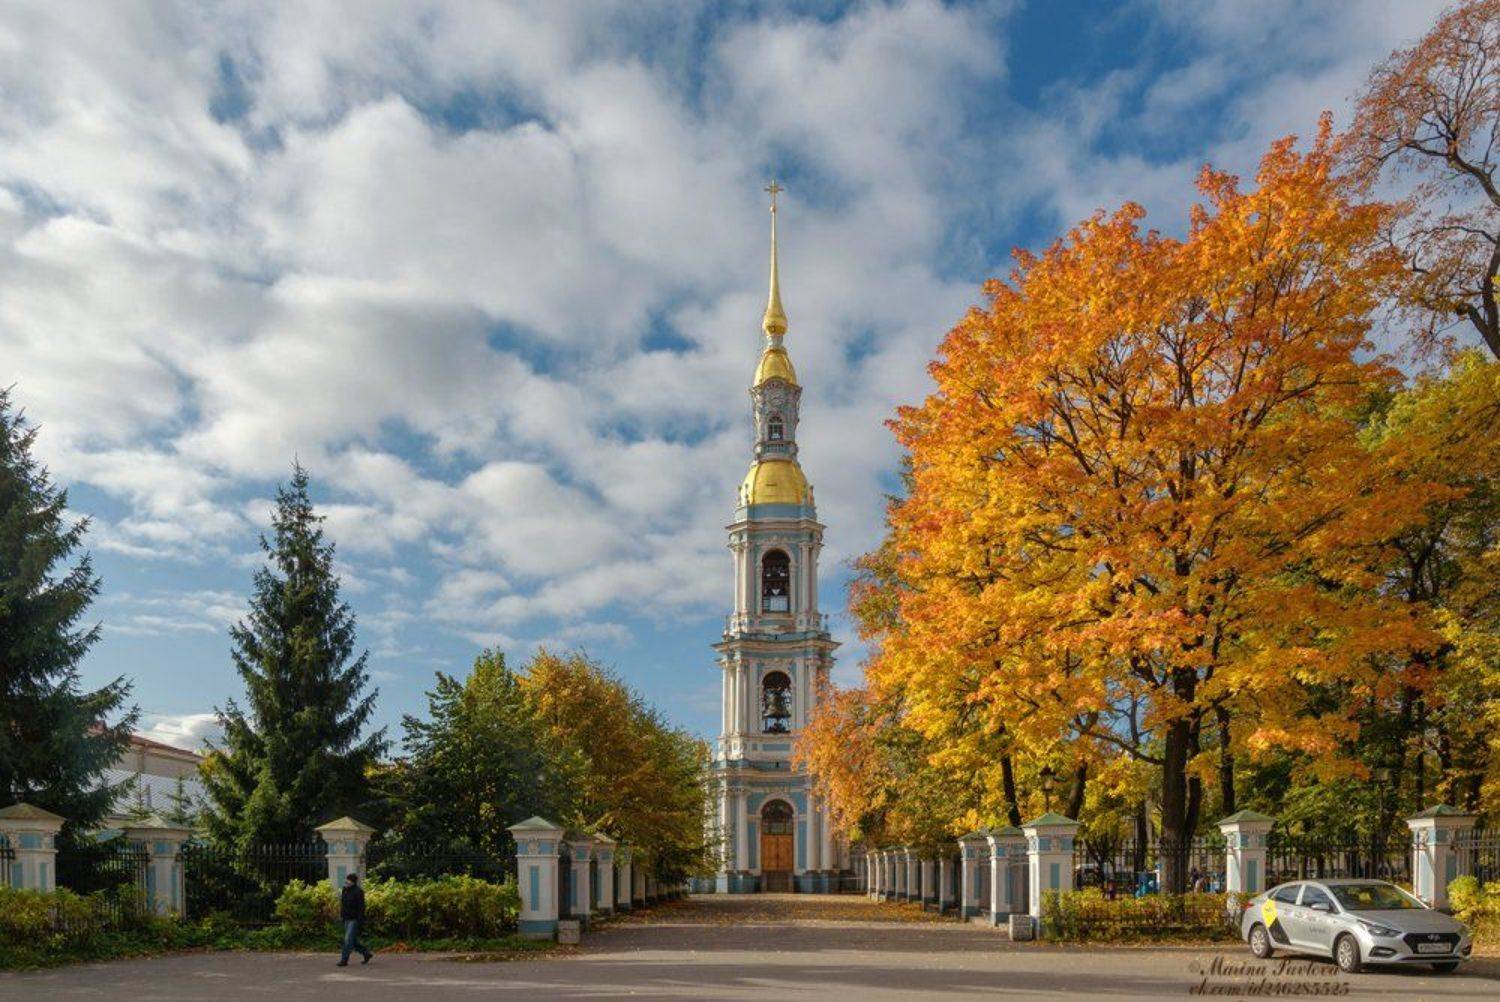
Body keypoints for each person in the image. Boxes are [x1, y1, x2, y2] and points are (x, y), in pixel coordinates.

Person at [337, 872, 374, 967]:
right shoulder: (345, 890)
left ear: (353, 882)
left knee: (347, 940)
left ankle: (344, 960)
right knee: (352, 941)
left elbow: (361, 908)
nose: (346, 881)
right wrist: (342, 916)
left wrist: (360, 921)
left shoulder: (358, 892)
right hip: (346, 918)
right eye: (346, 879)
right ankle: (366, 953)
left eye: (348, 880)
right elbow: (343, 904)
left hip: (354, 919)